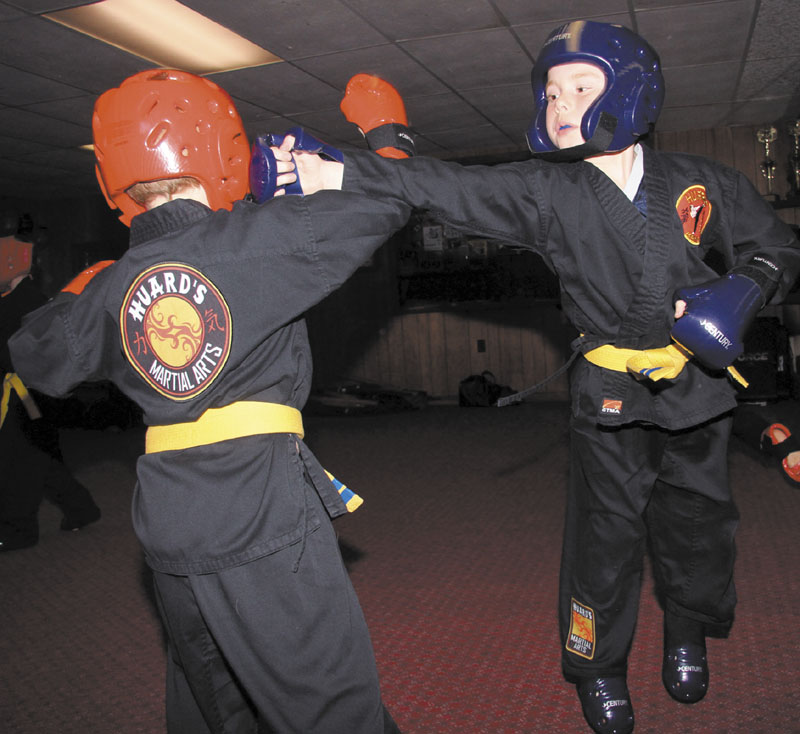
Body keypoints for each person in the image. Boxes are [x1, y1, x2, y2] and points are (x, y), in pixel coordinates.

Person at [271, 21, 800, 734]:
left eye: (579, 88)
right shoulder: (550, 192)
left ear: (633, 92)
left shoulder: (708, 183)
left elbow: (779, 249)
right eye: (551, 92)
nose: (560, 104)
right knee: (605, 541)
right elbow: (445, 188)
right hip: (611, 399)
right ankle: (599, 665)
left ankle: (689, 630)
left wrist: (742, 290)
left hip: (697, 390)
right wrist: (338, 170)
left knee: (700, 529)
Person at [8, 69, 412, 733]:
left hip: (168, 517)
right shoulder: (256, 239)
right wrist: (387, 133)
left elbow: (35, 355)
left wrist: (86, 284)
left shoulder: (113, 286)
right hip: (258, 506)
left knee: (213, 709)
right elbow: (387, 204)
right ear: (220, 150)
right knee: (333, 709)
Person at [1, 236, 100, 552]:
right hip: (22, 392)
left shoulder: (29, 301)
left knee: (20, 456)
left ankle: (20, 529)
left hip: (28, 393)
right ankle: (81, 508)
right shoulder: (11, 299)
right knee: (36, 454)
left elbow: (31, 350)